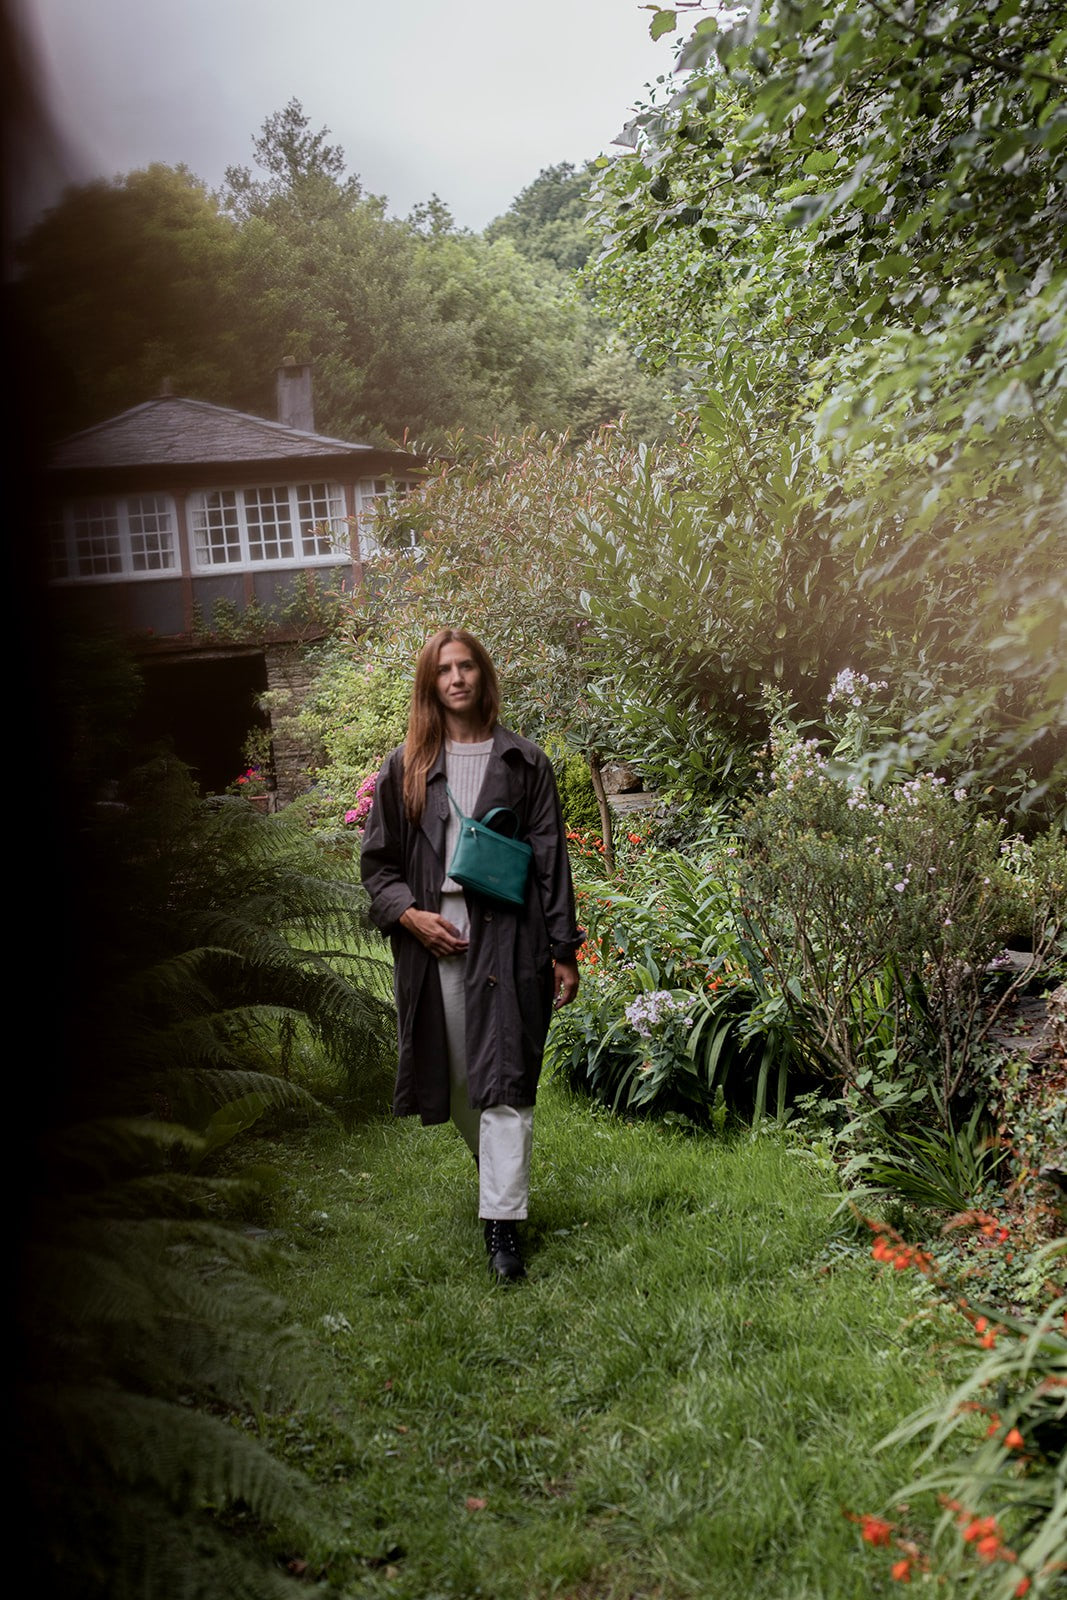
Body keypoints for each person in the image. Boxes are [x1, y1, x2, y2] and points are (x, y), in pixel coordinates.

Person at [360, 627, 582, 1283]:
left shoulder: (524, 762)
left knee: (504, 1082)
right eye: (443, 670)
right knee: (458, 1080)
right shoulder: (404, 766)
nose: (456, 678)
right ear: (429, 683)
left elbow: (551, 861)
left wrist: (563, 948)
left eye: (467, 667)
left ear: (482, 676)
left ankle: (503, 1234)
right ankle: (501, 1182)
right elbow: (377, 866)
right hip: (433, 936)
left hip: (510, 937)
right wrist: (408, 915)